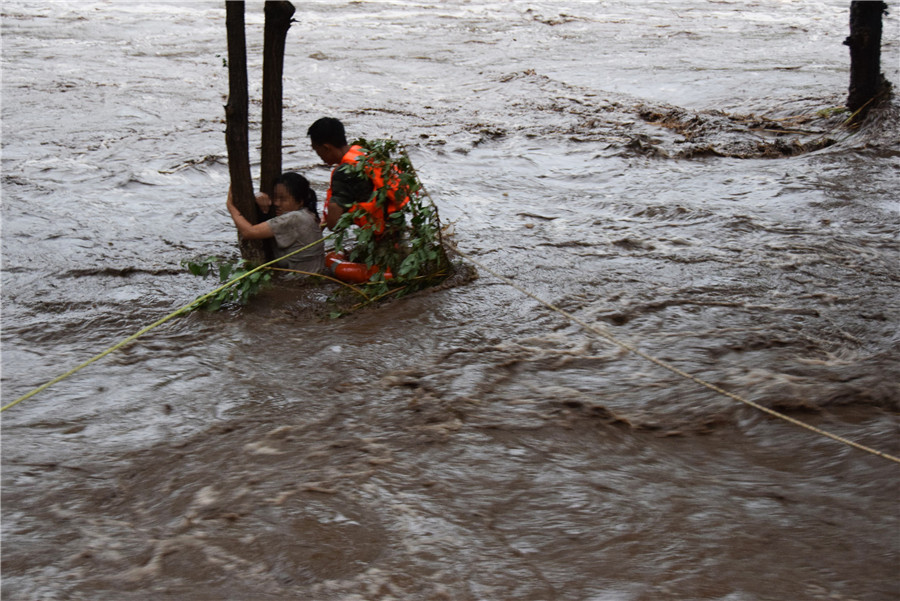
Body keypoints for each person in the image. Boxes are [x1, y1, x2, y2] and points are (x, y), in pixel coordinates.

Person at [307, 117, 407, 233]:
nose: (318, 155)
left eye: (316, 150)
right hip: (395, 224)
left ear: (326, 148)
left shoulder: (344, 172)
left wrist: (328, 221)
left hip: (380, 235)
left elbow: (334, 224)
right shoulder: (363, 153)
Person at [226, 172, 325, 274]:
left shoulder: (294, 218)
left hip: (299, 282)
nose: (276, 203)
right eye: (275, 197)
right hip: (313, 277)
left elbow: (249, 232)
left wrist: (230, 206)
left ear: (300, 201)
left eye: (283, 199)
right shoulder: (309, 214)